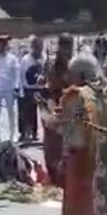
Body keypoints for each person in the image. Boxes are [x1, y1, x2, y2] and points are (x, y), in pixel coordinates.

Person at [58, 51, 107, 215]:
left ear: (81, 75)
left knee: (89, 197)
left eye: (73, 75)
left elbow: (73, 134)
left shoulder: (78, 96)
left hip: (87, 159)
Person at [42, 34, 74, 187]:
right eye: (64, 46)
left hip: (73, 107)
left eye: (69, 46)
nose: (66, 49)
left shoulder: (75, 64)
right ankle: (54, 175)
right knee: (53, 143)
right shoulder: (53, 66)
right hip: (55, 105)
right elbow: (51, 85)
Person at [0, 35, 20, 142]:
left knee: (11, 113)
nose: (2, 46)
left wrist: (16, 88)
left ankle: (13, 135)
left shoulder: (12, 58)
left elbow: (16, 74)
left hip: (8, 88)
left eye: (4, 44)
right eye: (0, 44)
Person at [19, 36, 46, 142]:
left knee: (45, 113)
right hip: (29, 89)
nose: (39, 49)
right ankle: (26, 134)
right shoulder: (26, 60)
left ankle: (41, 134)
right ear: (33, 47)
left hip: (42, 89)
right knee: (28, 113)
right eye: (37, 47)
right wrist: (22, 90)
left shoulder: (44, 58)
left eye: (40, 47)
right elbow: (21, 75)